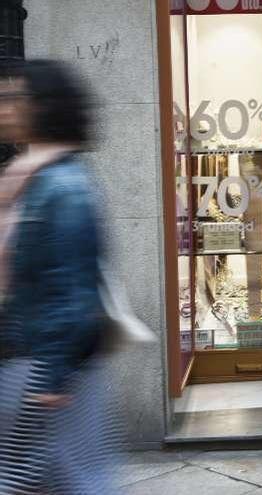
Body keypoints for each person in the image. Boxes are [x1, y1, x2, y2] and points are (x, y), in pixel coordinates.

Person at [0, 60, 120, 494]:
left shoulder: (64, 186)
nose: (4, 108)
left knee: (61, 478)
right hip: (33, 356)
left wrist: (52, 375)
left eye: (13, 98)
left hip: (44, 362)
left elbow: (73, 288)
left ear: (43, 107)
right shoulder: (31, 177)